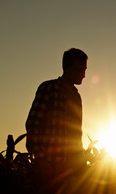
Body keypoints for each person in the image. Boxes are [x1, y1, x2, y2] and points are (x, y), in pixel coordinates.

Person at [26, 48, 88, 177]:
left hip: (71, 168)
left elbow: (76, 133)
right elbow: (33, 125)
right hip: (49, 165)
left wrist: (81, 163)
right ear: (66, 67)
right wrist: (41, 160)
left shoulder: (77, 97)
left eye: (84, 70)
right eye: (78, 70)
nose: (83, 74)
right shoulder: (48, 88)